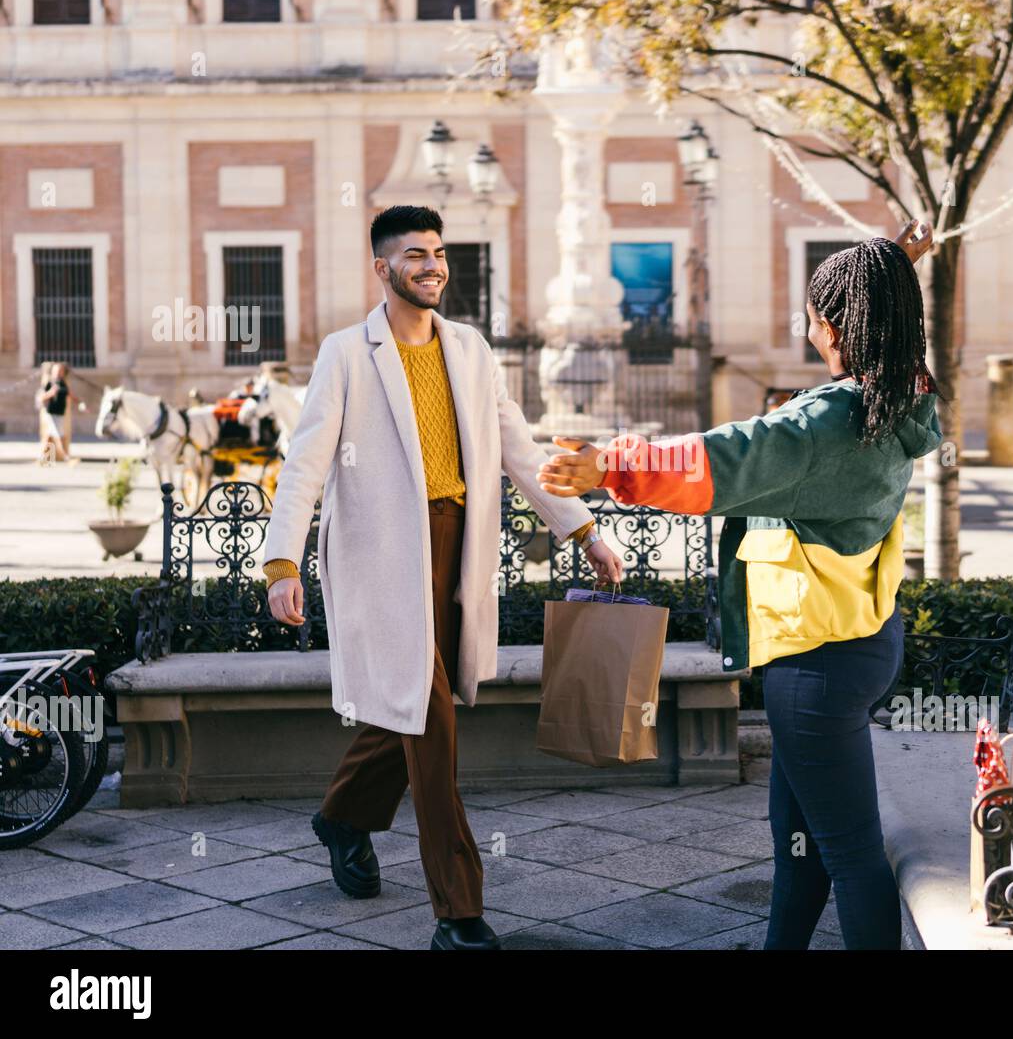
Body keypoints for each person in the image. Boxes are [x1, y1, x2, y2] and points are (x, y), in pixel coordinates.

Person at [538, 220, 942, 950]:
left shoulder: (827, 424)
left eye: (816, 316)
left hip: (817, 664)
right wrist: (895, 260)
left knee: (848, 852)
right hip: (853, 643)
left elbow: (722, 460)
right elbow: (882, 317)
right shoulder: (900, 398)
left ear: (837, 327)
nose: (809, 329)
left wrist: (610, 469)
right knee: (800, 842)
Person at [263, 205, 624, 951]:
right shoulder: (347, 353)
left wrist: (583, 530)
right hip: (381, 562)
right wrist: (279, 562)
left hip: (457, 552)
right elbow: (304, 464)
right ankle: (458, 911)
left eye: (438, 252)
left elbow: (519, 452)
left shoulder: (470, 349)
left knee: (404, 705)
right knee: (429, 722)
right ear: (382, 269)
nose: (432, 265)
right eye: (414, 254)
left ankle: (340, 817)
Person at [35, 361, 77, 464]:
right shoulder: (50, 383)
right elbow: (41, 397)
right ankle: (67, 458)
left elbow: (70, 394)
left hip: (60, 413)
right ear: (53, 372)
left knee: (50, 436)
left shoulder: (63, 383)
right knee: (59, 434)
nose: (58, 373)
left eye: (60, 371)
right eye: (57, 371)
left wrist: (80, 403)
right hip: (52, 413)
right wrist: (51, 393)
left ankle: (43, 459)